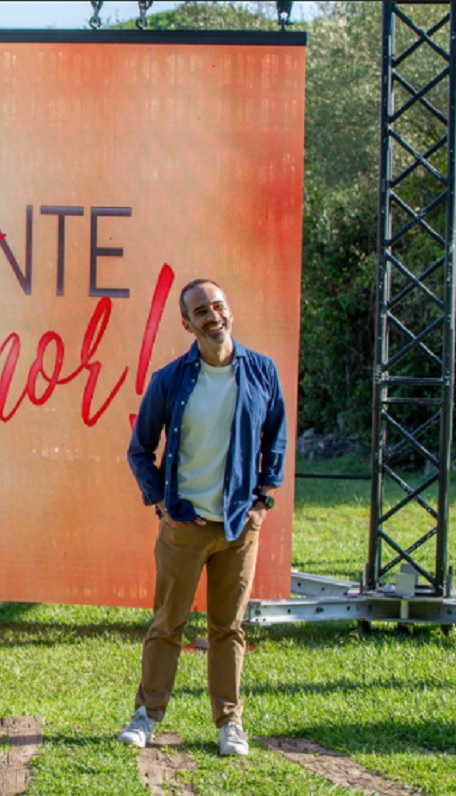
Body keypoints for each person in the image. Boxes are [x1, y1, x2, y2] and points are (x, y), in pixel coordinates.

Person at [119, 278, 286, 757]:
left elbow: (275, 438)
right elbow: (140, 449)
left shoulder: (262, 371)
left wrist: (262, 500)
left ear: (229, 309)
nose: (214, 317)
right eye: (201, 312)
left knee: (228, 629)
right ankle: (147, 716)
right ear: (186, 324)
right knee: (167, 624)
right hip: (185, 524)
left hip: (238, 527)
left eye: (218, 306)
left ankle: (230, 723)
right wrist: (162, 502)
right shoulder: (170, 379)